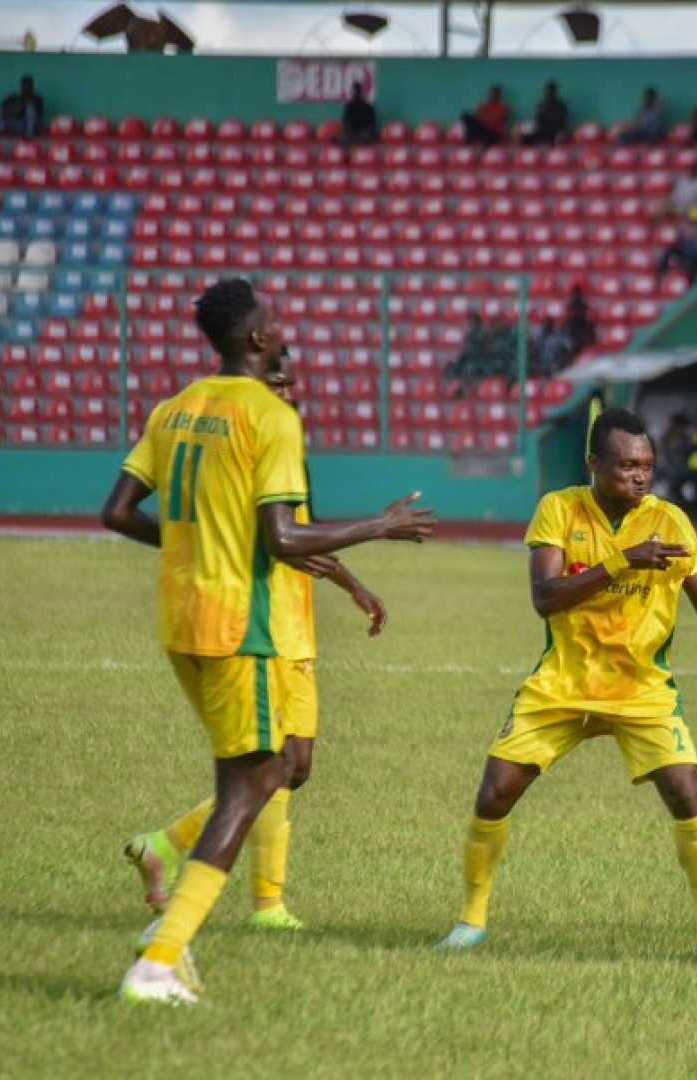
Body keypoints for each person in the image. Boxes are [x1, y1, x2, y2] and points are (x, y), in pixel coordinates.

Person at [106, 278, 436, 1005]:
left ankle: (165, 918)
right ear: (255, 337)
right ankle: (158, 959)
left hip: (182, 621)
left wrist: (193, 545)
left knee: (271, 770)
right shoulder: (270, 416)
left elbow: (118, 511)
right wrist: (382, 525)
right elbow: (283, 538)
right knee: (252, 785)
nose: (283, 327)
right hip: (241, 627)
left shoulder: (176, 407)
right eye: (274, 318)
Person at [432, 408, 697, 957]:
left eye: (647, 465)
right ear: (594, 464)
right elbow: (545, 598)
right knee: (494, 792)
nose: (640, 477)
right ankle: (470, 923)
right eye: (626, 466)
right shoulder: (559, 509)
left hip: (641, 687)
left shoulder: (671, 521)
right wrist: (624, 562)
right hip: (564, 682)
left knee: (686, 793)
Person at [122, 365, 388, 934]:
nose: (287, 393)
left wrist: (354, 586)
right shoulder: (246, 444)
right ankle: (262, 905)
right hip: (261, 627)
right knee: (271, 769)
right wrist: (381, 525)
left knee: (293, 767)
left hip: (293, 628)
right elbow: (278, 537)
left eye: (292, 385)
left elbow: (304, 533)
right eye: (277, 383)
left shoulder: (282, 448)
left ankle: (168, 847)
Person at [655, 208, 697, 284]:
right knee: (670, 251)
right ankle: (661, 272)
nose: (692, 222)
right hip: (685, 252)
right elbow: (680, 240)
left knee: (691, 262)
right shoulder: (685, 227)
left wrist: (693, 235)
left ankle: (691, 280)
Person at [523, 81, 569, 147]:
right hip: (541, 132)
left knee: (561, 137)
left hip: (555, 133)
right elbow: (536, 121)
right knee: (525, 138)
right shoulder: (540, 105)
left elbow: (563, 123)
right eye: (547, 92)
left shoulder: (561, 106)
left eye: (551, 92)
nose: (549, 94)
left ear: (555, 93)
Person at [659, 412, 693, 502]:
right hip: (672, 469)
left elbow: (688, 453)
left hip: (678, 470)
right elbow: (663, 453)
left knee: (675, 492)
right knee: (673, 492)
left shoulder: (683, 437)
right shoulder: (668, 436)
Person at [341, 81, 378, 146]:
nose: (356, 94)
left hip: (365, 133)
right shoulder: (349, 106)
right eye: (354, 92)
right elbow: (345, 122)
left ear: (361, 92)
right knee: (344, 139)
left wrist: (365, 132)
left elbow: (372, 124)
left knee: (367, 137)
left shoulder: (368, 106)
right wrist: (350, 133)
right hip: (351, 134)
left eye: (357, 91)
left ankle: (364, 147)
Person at [565, 285, 594, 355]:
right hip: (575, 330)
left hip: (580, 329)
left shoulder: (582, 305)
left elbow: (587, 317)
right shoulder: (572, 305)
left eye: (577, 294)